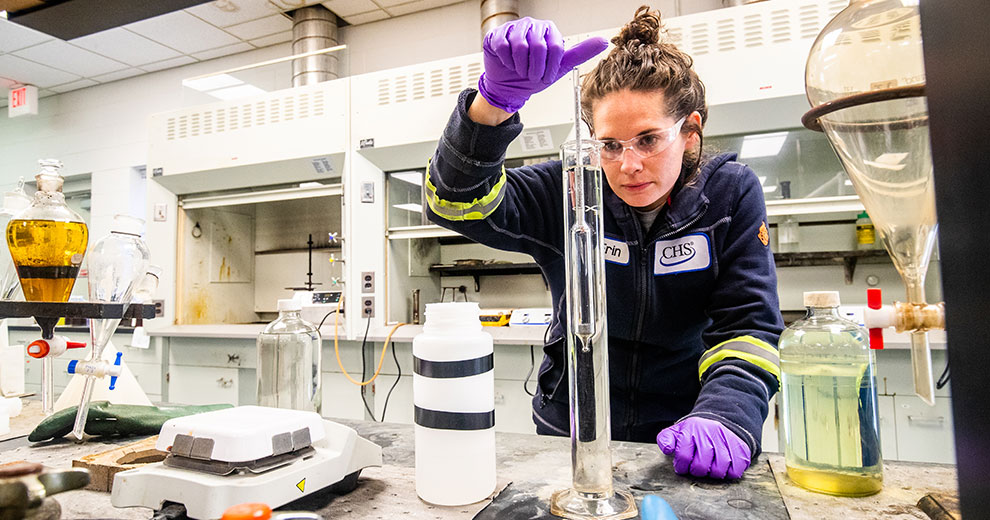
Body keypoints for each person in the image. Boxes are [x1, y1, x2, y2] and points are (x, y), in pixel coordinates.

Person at [425, 5, 783, 480]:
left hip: (680, 439)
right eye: (610, 145)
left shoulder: (729, 194)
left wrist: (726, 416)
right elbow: (452, 203)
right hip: (570, 434)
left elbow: (748, 327)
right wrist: (490, 107)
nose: (628, 165)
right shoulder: (569, 189)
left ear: (690, 133)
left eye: (648, 140)